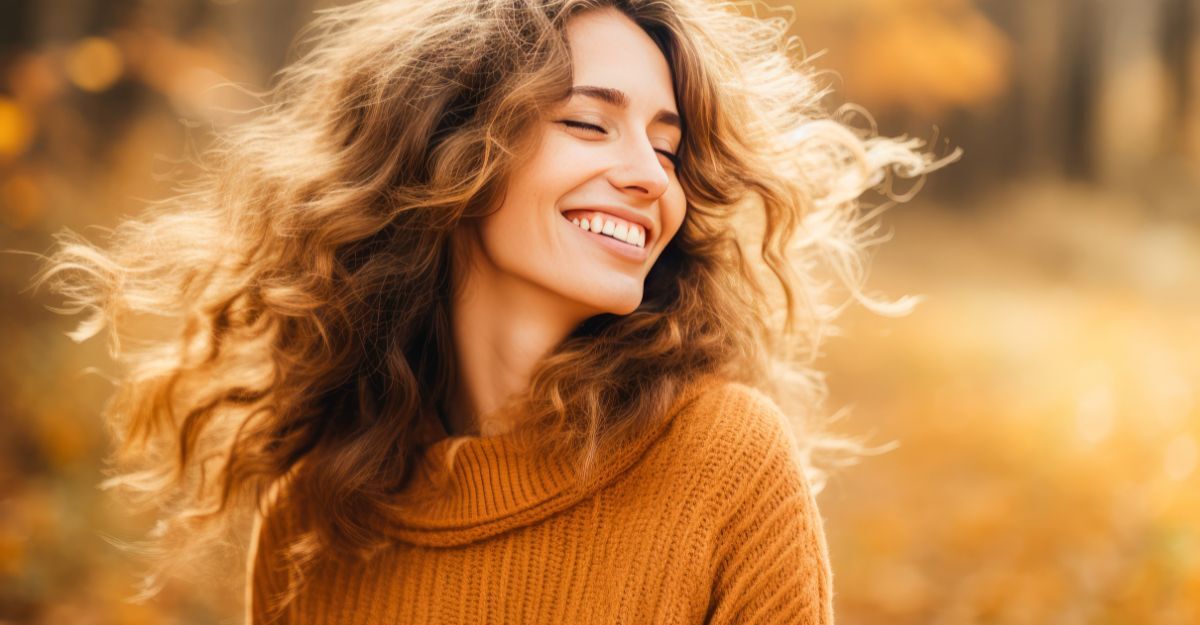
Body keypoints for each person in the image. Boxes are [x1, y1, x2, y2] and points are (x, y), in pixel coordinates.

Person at [33, 0, 954, 622]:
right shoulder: (313, 520)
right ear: (447, 151)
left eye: (668, 147)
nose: (648, 175)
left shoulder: (723, 458)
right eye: (588, 123)